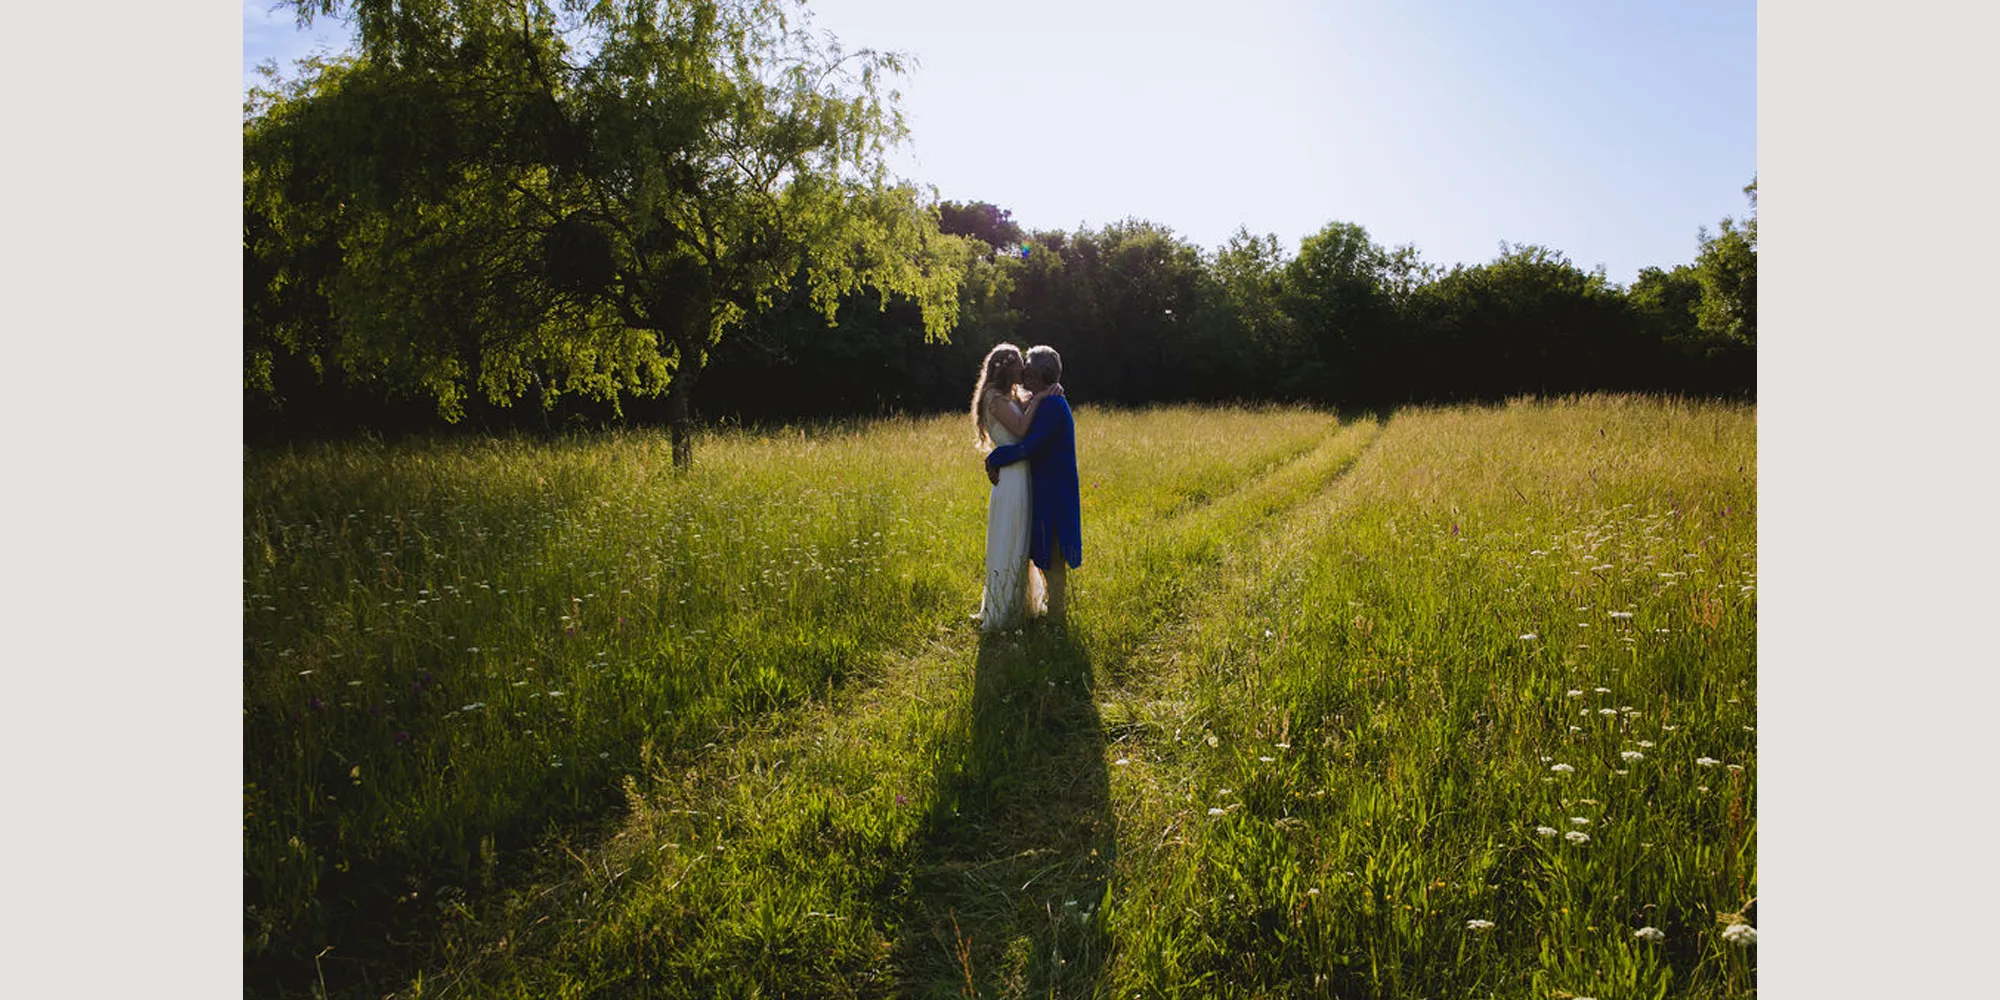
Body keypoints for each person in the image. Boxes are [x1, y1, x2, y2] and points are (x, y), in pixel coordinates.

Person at [983, 345, 1081, 623]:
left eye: (1027, 364)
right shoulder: (1044, 398)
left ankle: (1057, 615)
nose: (1024, 369)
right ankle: (1047, 610)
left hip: (1054, 488)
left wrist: (996, 456)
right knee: (1045, 549)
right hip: (1043, 485)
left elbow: (1031, 446)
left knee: (1053, 552)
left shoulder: (1052, 403)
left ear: (1037, 374)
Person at [971, 343, 1060, 632]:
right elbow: (1021, 429)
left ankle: (1022, 606)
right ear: (1007, 368)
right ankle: (1002, 611)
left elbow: (1032, 409)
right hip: (1009, 479)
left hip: (1022, 475)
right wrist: (1042, 396)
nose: (1025, 369)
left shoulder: (1012, 395)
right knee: (1009, 540)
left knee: (1021, 543)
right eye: (1020, 364)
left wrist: (1048, 391)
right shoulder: (993, 398)